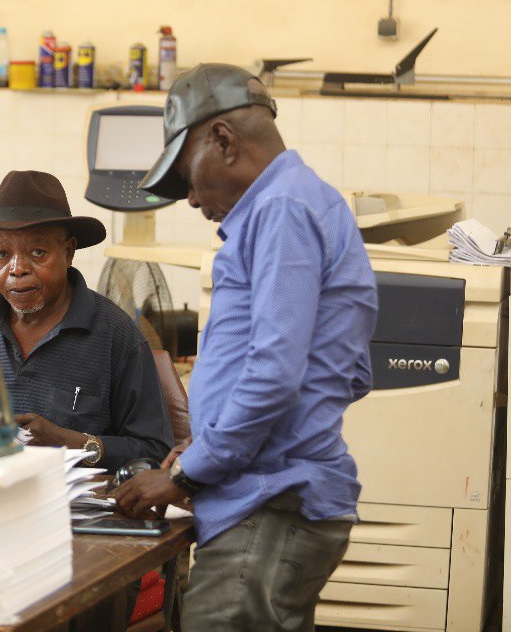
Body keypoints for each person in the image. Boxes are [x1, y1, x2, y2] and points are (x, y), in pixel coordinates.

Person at [113, 63, 378, 631]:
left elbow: (276, 372)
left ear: (224, 140)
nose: (188, 199)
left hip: (269, 506)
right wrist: (206, 455)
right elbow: (348, 374)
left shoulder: (281, 209)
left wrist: (189, 474)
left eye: (187, 176)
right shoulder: (300, 205)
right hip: (269, 497)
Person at [0, 169, 173, 473]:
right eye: (1, 254)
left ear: (68, 252)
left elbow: (155, 452)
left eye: (38, 252)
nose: (17, 269)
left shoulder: (116, 335)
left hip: (72, 510)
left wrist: (69, 441)